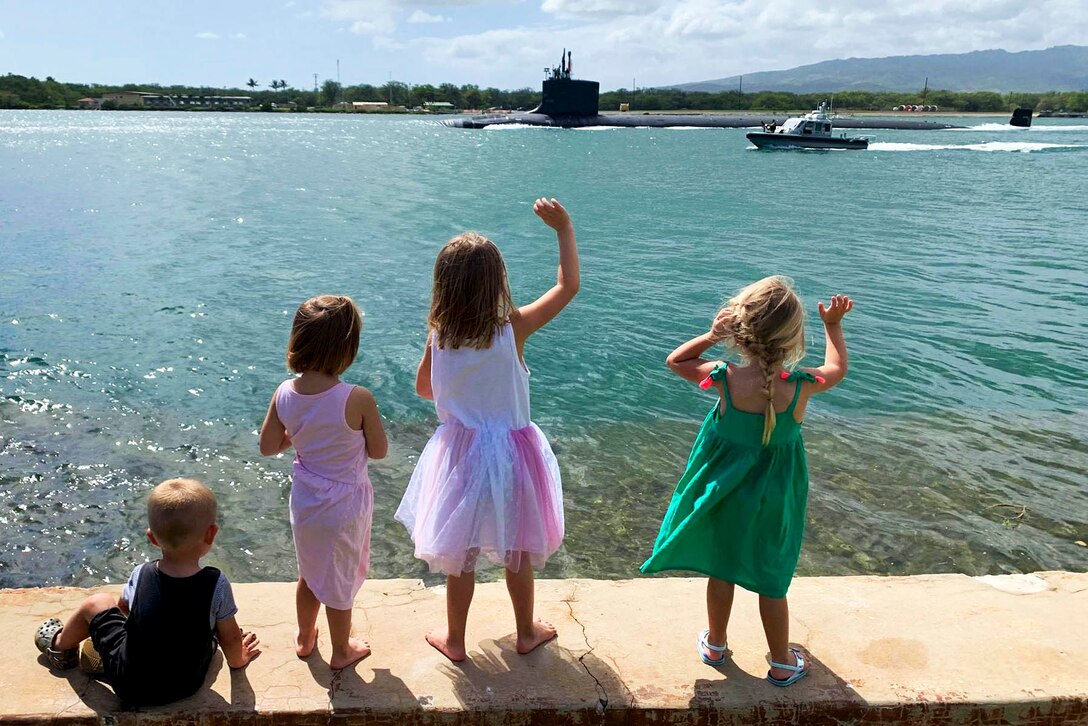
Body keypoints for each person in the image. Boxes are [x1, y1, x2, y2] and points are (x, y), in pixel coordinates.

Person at [641, 277, 852, 687]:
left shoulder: (725, 379)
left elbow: (675, 362)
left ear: (739, 331)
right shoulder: (801, 386)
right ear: (793, 338)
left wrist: (709, 335)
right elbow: (838, 368)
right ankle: (781, 662)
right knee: (772, 577)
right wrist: (833, 326)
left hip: (725, 494)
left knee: (722, 568)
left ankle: (716, 645)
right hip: (776, 498)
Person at [396, 198, 579, 662]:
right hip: (513, 453)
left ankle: (455, 640)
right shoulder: (512, 329)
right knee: (517, 546)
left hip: (460, 454)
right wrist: (563, 230)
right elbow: (567, 285)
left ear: (443, 287)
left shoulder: (439, 336)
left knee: (462, 552)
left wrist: (460, 392)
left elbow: (424, 389)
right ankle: (525, 631)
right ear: (498, 281)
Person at [33, 478, 260, 705]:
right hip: (187, 684)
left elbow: (124, 613)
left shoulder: (141, 574)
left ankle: (61, 648)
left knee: (98, 602)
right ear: (211, 533)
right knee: (211, 635)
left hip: (129, 685)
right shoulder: (217, 583)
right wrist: (239, 659)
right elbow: (230, 639)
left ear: (151, 537)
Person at [259, 294, 388, 669]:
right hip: (345, 504)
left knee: (310, 571)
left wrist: (298, 433)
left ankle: (304, 637)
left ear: (297, 340)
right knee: (340, 580)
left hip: (306, 499)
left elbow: (268, 446)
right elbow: (378, 450)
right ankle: (341, 650)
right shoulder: (357, 397)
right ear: (347, 348)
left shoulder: (284, 392)